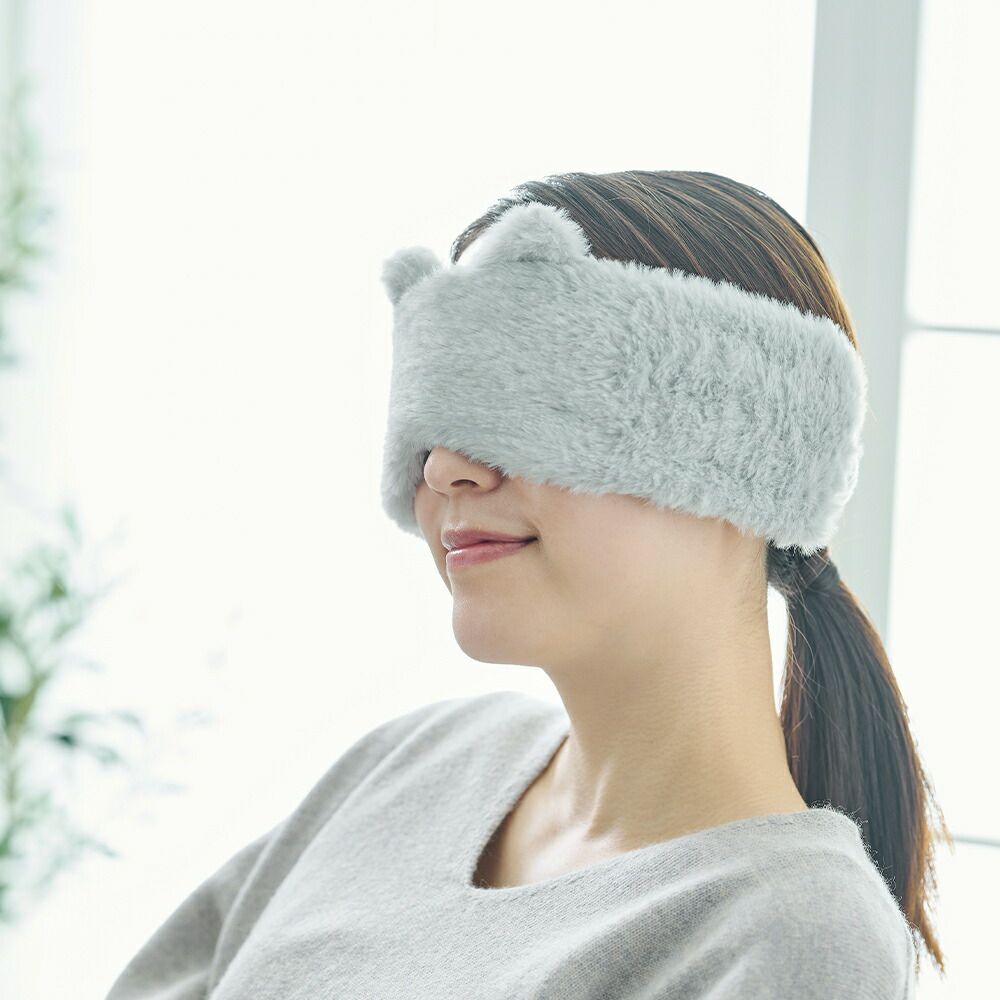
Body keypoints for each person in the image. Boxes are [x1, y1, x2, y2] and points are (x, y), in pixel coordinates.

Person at [105, 170, 948, 999]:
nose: (445, 467)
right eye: (436, 414)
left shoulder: (792, 931)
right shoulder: (421, 763)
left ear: (747, 454)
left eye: (529, 404)